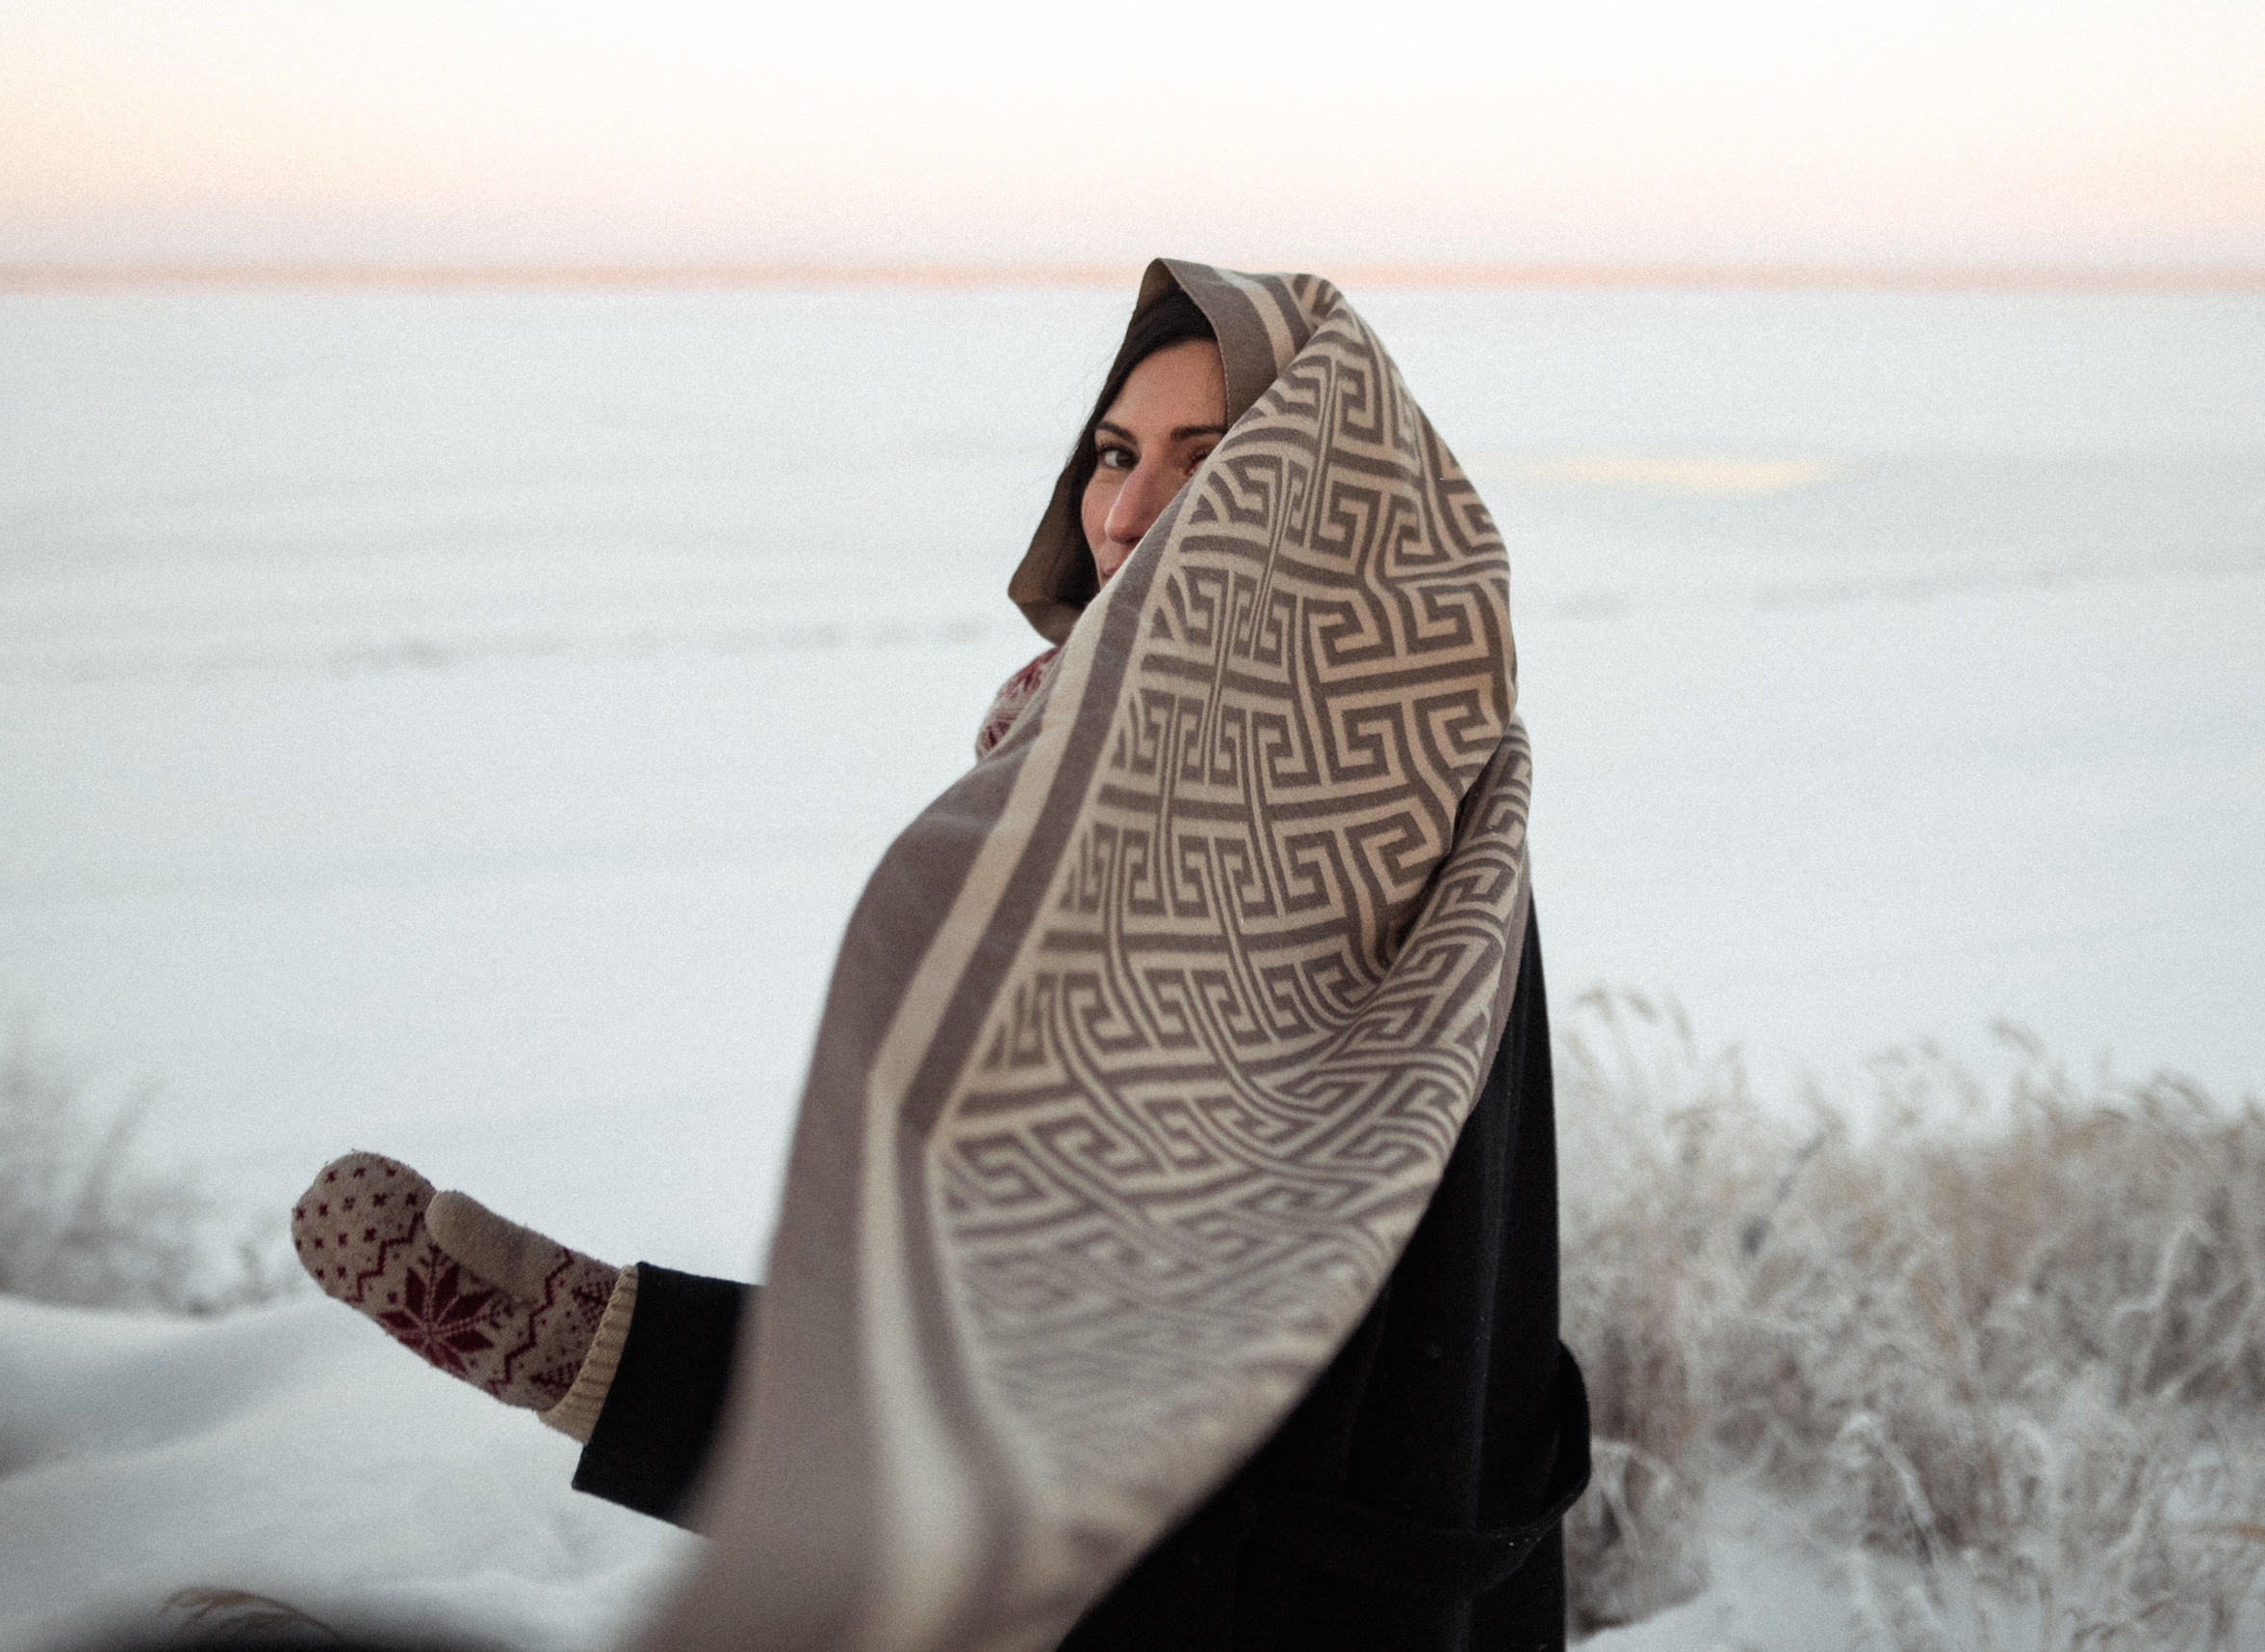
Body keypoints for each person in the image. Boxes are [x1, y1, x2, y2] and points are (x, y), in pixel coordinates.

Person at [295, 263, 1585, 1651]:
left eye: (1213, 466)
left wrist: (593, 1350)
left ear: (1322, 507)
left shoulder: (1250, 850)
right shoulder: (1411, 773)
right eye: (1113, 453)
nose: (1128, 511)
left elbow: (1082, 1401)